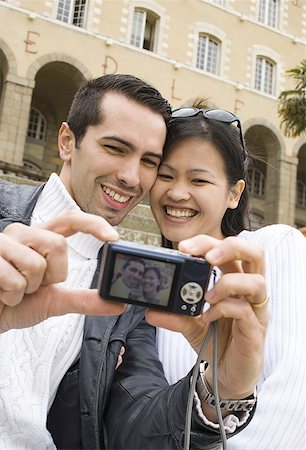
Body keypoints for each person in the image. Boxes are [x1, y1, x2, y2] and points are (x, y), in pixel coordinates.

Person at [0, 74, 266, 450]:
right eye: (115, 148)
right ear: (66, 141)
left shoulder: (129, 291)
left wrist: (222, 388)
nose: (130, 177)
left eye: (149, 161)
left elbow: (136, 424)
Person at [148, 103, 306, 450]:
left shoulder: (274, 246)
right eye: (165, 175)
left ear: (234, 193)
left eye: (199, 179)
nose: (176, 192)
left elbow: (296, 394)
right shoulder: (154, 284)